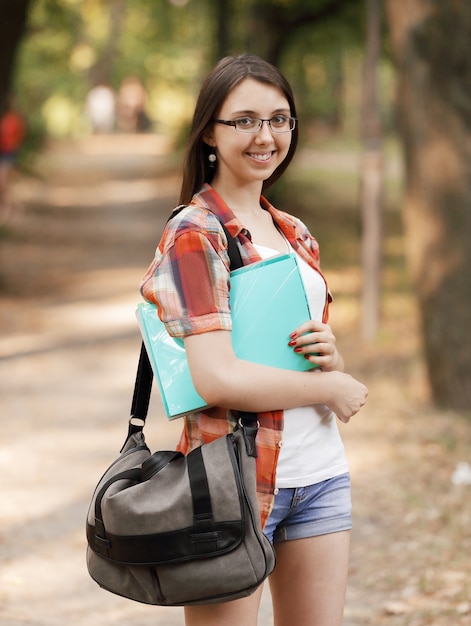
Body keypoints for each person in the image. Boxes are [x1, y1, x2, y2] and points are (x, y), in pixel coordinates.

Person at [140, 54, 368, 626]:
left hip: (319, 477)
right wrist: (332, 387)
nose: (265, 136)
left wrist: (328, 358)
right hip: (233, 483)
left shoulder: (294, 231)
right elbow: (215, 376)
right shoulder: (193, 234)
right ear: (209, 135)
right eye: (243, 120)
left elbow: (291, 351)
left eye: (280, 118)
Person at [0, 97, 26, 222]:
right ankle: (9, 208)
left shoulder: (15, 120)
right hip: (4, 153)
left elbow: (20, 136)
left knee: (5, 182)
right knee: (4, 183)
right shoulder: (5, 120)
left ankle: (8, 210)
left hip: (10, 153)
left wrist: (15, 147)